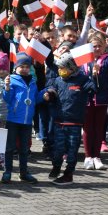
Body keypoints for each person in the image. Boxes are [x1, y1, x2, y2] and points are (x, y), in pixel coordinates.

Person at [44, 53, 97, 185]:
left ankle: (68, 174)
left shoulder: (83, 79)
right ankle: (56, 167)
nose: (60, 70)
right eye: (59, 68)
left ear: (72, 68)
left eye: (63, 68)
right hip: (59, 121)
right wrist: (49, 95)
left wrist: (94, 78)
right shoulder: (57, 80)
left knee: (72, 149)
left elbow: (93, 89)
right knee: (58, 149)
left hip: (75, 122)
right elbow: (51, 90)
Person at [2, 53, 41, 183]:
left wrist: (45, 94)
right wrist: (6, 88)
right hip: (13, 119)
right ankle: (7, 171)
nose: (24, 69)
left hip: (27, 121)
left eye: (27, 66)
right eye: (22, 66)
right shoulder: (11, 79)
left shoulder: (33, 81)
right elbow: (7, 99)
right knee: (9, 147)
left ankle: (23, 173)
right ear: (16, 67)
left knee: (24, 149)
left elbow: (34, 99)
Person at [82, 32, 108, 171]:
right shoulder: (83, 60)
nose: (96, 49)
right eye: (94, 46)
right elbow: (79, 78)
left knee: (99, 129)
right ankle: (88, 156)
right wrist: (91, 74)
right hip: (86, 100)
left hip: (101, 100)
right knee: (88, 129)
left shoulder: (107, 59)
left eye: (99, 46)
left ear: (103, 47)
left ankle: (97, 156)